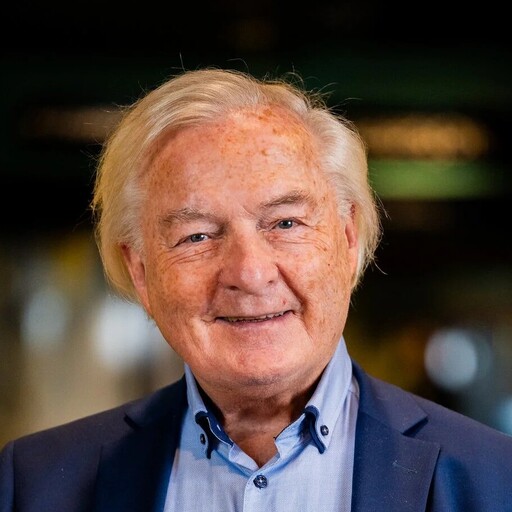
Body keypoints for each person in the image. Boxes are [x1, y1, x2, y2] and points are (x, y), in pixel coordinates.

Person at [1, 67, 511, 512]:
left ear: (349, 240)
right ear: (140, 271)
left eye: (286, 223)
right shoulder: (34, 485)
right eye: (197, 235)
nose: (249, 273)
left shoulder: (496, 480)